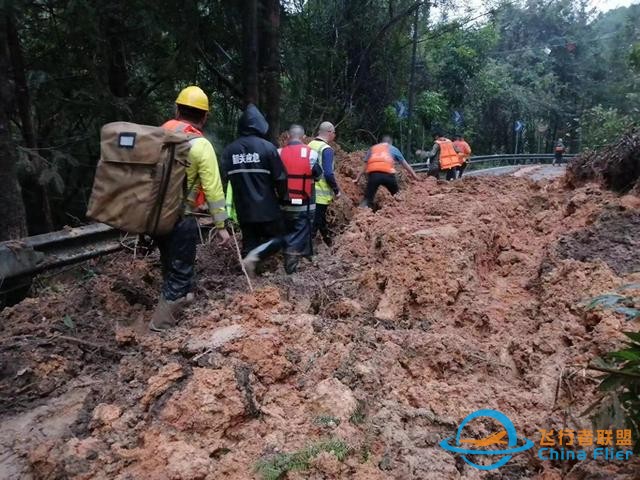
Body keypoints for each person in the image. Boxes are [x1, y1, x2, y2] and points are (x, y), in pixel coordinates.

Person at [150, 86, 230, 332]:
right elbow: (214, 189)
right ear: (204, 116)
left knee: (170, 261)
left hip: (151, 215)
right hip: (179, 218)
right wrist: (221, 226)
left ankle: (177, 301)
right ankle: (160, 326)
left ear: (176, 109)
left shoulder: (156, 135)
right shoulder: (200, 144)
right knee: (181, 271)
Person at [221, 104, 287, 277]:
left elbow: (224, 179)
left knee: (249, 241)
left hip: (242, 208)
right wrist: (284, 199)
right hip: (267, 208)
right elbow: (280, 178)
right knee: (279, 238)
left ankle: (249, 283)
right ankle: (254, 258)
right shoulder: (268, 148)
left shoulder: (229, 151)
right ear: (260, 125)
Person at [278, 125, 323, 273]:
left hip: (283, 203)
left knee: (288, 229)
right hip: (303, 203)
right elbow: (318, 174)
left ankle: (304, 254)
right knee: (301, 230)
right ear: (303, 137)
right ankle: (291, 262)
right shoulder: (311, 154)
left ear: (288, 136)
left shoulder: (278, 153)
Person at [353, 134, 419, 208]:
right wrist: (415, 176)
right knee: (397, 196)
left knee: (367, 199)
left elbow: (364, 166)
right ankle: (403, 210)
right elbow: (406, 165)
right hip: (388, 175)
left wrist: (357, 179)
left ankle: (362, 212)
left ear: (381, 142)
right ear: (390, 142)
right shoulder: (394, 149)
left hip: (374, 175)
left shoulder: (372, 148)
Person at [308, 122, 341, 246]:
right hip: (320, 194)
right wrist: (336, 190)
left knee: (319, 219)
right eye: (334, 133)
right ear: (329, 132)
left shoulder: (310, 145)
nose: (334, 136)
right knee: (315, 223)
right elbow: (328, 173)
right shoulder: (326, 150)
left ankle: (328, 241)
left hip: (308, 190)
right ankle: (306, 253)